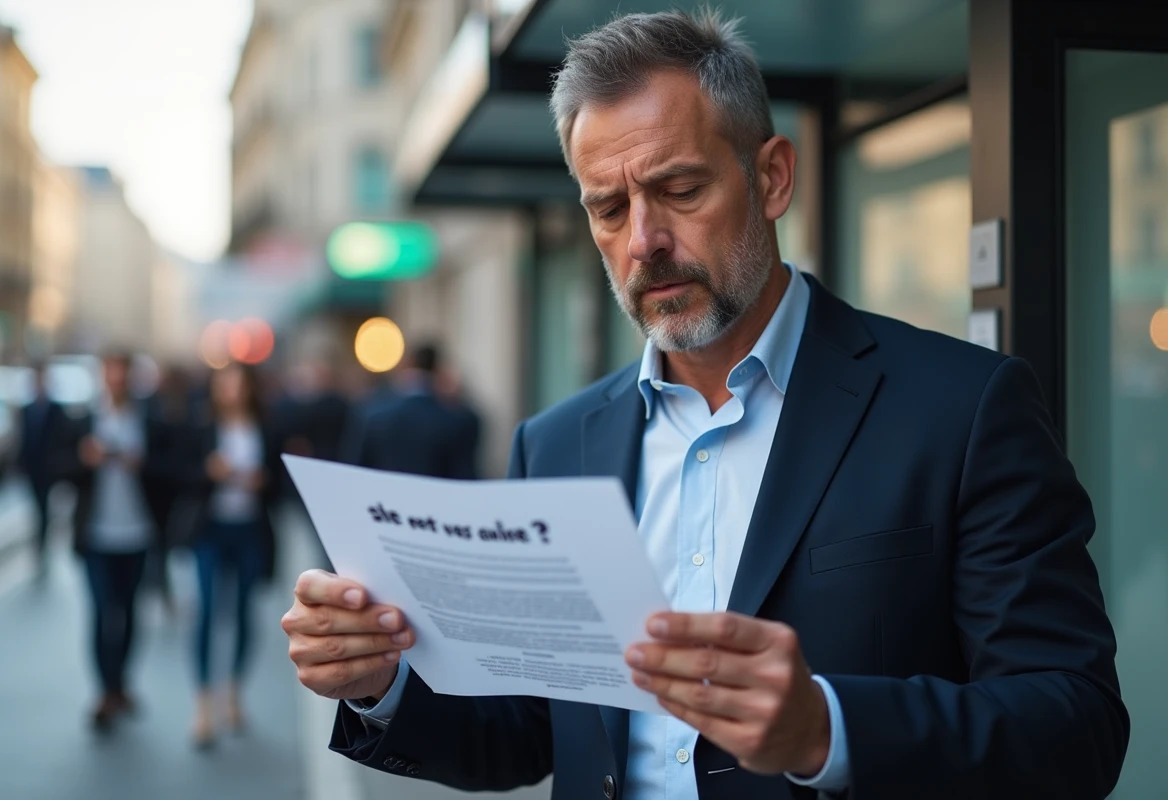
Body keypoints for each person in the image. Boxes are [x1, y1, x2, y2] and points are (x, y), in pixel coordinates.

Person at [281, 9, 1128, 800]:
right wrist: (380, 685)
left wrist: (825, 729)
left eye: (679, 189)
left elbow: (1076, 724)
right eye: (608, 208)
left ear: (772, 176)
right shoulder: (558, 442)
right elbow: (533, 728)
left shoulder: (963, 407)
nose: (642, 240)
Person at [59, 351, 153, 732]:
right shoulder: (83, 419)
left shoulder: (148, 418)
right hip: (95, 535)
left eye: (121, 375)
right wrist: (85, 459)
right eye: (109, 375)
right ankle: (106, 689)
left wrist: (141, 462)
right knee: (101, 612)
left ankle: (120, 683)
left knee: (129, 613)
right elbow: (58, 467)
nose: (115, 382)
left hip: (137, 533)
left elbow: (170, 466)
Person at [185, 362, 276, 748]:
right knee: (206, 611)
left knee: (242, 612)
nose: (231, 392)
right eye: (224, 385)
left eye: (237, 384)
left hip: (250, 532)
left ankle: (234, 691)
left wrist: (263, 480)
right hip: (210, 530)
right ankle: (203, 703)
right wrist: (208, 471)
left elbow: (281, 483)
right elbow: (179, 473)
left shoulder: (266, 429)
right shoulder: (202, 428)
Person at [349, 343, 479, 480]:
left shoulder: (374, 417)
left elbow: (357, 471)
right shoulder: (455, 422)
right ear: (438, 370)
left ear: (406, 365)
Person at [141, 364, 197, 614]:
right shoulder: (150, 406)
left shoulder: (191, 404)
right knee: (159, 544)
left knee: (172, 543)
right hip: (156, 490)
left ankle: (164, 587)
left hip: (181, 489)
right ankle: (160, 586)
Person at [19, 361, 67, 579]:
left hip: (50, 470)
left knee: (44, 511)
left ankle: (42, 547)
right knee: (37, 510)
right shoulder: (26, 409)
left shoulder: (56, 408)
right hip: (33, 469)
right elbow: (23, 440)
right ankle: (39, 547)